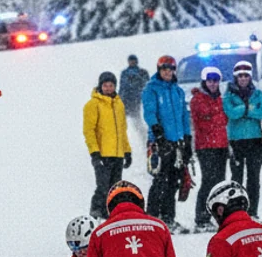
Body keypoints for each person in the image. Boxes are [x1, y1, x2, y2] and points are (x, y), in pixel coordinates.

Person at [142, 55, 193, 232]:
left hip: (176, 141)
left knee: (173, 181)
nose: (167, 72)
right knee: (160, 179)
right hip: (160, 141)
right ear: (159, 70)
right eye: (164, 69)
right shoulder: (152, 89)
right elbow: (149, 112)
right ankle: (152, 217)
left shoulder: (177, 91)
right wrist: (157, 131)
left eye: (170, 69)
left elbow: (184, 116)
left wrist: (187, 138)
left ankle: (168, 218)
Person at [84, 71, 133, 218]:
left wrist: (127, 151)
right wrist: (94, 152)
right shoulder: (93, 104)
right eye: (105, 85)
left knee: (115, 188)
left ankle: (111, 213)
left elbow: (122, 130)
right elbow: (89, 130)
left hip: (117, 153)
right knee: (103, 187)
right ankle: (96, 212)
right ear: (100, 86)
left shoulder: (119, 104)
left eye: (111, 85)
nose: (108, 88)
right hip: (103, 154)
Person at [224, 60, 262, 219]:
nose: (243, 79)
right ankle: (237, 210)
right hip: (236, 141)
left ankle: (252, 211)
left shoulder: (258, 93)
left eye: (246, 76)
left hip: (254, 139)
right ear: (235, 77)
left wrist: (241, 109)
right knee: (237, 179)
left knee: (254, 178)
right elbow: (231, 113)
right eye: (240, 76)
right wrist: (248, 108)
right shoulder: (228, 94)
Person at [191, 67, 229, 233]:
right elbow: (200, 122)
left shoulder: (221, 99)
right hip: (205, 146)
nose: (213, 84)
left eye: (215, 81)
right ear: (204, 82)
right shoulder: (198, 99)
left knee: (219, 182)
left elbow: (224, 120)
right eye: (210, 81)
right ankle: (201, 217)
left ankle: (217, 214)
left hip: (221, 145)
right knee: (208, 181)